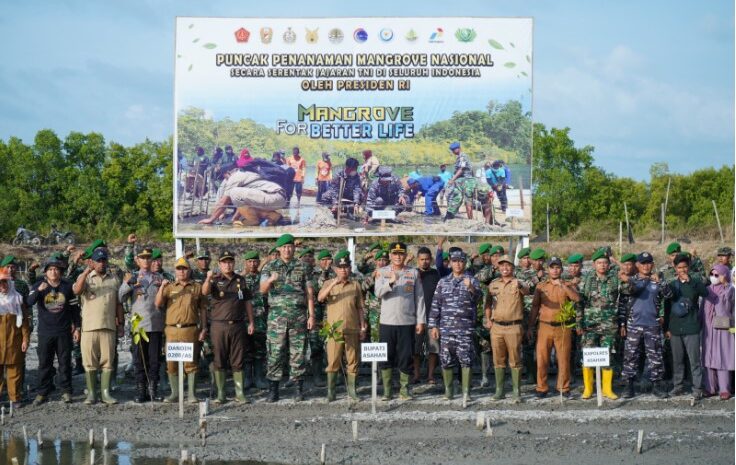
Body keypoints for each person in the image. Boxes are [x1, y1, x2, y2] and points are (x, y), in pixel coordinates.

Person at [260, 234, 316, 402]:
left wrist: (311, 315)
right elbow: (262, 290)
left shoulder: (303, 267)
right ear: (279, 249)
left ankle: (298, 389)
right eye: (284, 247)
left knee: (298, 353)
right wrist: (271, 279)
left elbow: (310, 294)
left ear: (294, 248)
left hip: (298, 317)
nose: (287, 249)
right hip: (276, 318)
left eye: (290, 246)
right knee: (275, 353)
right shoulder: (270, 267)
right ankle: (273, 390)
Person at [202, 250, 255, 404]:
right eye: (224, 262)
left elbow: (247, 303)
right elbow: (205, 292)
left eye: (230, 261)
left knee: (238, 360)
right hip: (219, 326)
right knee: (219, 359)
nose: (227, 264)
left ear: (234, 263)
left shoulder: (241, 280)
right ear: (219, 264)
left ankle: (240, 394)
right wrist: (207, 278)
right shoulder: (214, 279)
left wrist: (251, 322)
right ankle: (221, 394)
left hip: (238, 325)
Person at [374, 242, 426, 400]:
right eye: (395, 254)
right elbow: (378, 293)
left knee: (406, 356)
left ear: (405, 255)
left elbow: (420, 297)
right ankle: (387, 391)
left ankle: (405, 390)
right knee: (386, 356)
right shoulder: (382, 272)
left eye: (401, 254)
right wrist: (390, 282)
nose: (398, 257)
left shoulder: (413, 273)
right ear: (390, 255)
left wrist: (420, 320)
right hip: (387, 322)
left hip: (407, 322)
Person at [72, 248, 123, 405]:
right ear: (92, 262)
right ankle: (92, 394)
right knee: (89, 361)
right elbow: (77, 290)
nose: (101, 263)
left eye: (103, 260)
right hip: (89, 327)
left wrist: (121, 324)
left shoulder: (114, 279)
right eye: (98, 261)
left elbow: (119, 305)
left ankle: (105, 393)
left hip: (108, 327)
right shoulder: (86, 278)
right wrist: (87, 271)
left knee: (108, 361)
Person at [617, 252, 671, 399]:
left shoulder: (657, 281)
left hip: (652, 325)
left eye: (648, 263)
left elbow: (669, 295)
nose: (646, 266)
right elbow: (623, 302)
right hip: (634, 324)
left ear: (652, 265)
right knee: (630, 356)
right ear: (637, 265)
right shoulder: (630, 280)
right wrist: (622, 324)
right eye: (642, 263)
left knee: (655, 356)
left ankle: (657, 385)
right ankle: (629, 385)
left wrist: (660, 281)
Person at [429, 249, 480, 402]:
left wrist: (471, 288)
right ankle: (449, 392)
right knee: (446, 359)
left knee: (466, 359)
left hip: (464, 328)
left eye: (461, 261)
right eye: (455, 261)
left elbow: (479, 299)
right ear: (450, 263)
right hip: (446, 328)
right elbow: (436, 305)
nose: (458, 264)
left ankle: (466, 392)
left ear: (465, 263)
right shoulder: (443, 282)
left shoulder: (472, 280)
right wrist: (433, 326)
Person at [156, 257, 209, 404]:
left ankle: (192, 394)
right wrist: (161, 287)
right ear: (175, 271)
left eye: (184, 268)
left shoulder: (197, 287)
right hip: (172, 330)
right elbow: (158, 303)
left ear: (189, 270)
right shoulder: (170, 287)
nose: (181, 271)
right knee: (171, 363)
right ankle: (175, 394)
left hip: (190, 330)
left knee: (190, 363)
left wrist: (204, 328)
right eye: (179, 269)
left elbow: (203, 309)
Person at [28, 257, 80, 405]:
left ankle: (66, 391)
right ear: (45, 272)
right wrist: (38, 291)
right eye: (50, 269)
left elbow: (75, 309)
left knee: (65, 363)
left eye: (56, 269)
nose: (53, 272)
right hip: (45, 332)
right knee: (44, 363)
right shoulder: (39, 285)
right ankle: (42, 392)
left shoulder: (67, 286)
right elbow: (29, 302)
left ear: (61, 272)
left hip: (63, 331)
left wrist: (77, 327)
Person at [528, 256, 580, 398]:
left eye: (557, 267)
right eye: (552, 267)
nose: (555, 270)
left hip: (563, 327)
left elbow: (577, 298)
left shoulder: (567, 284)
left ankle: (563, 387)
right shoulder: (541, 286)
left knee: (563, 359)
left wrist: (563, 285)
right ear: (547, 269)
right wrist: (530, 327)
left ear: (562, 270)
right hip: (544, 327)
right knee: (542, 358)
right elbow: (534, 307)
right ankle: (542, 387)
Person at [318, 250, 366, 401]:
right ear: (335, 269)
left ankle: (352, 391)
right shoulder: (328, 283)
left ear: (350, 268)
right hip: (334, 331)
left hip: (352, 328)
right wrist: (333, 283)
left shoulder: (356, 285)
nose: (344, 270)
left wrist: (363, 326)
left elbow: (360, 308)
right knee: (333, 361)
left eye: (346, 267)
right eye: (340, 267)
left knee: (353, 361)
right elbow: (320, 298)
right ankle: (331, 392)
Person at [118, 248, 164, 402]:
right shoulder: (133, 277)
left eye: (148, 258)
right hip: (138, 324)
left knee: (154, 359)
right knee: (139, 359)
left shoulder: (159, 278)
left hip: (156, 324)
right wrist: (127, 283)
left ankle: (153, 389)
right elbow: (121, 297)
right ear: (138, 260)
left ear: (152, 260)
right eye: (142, 258)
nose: (146, 261)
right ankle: (141, 390)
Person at [486, 255, 531, 402]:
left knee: (515, 359)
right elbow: (488, 303)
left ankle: (516, 392)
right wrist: (488, 320)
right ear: (498, 267)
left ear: (513, 267)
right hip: (497, 327)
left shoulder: (518, 282)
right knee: (498, 360)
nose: (505, 268)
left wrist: (520, 286)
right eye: (502, 266)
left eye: (508, 265)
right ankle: (499, 390)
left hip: (514, 327)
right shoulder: (493, 284)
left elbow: (527, 291)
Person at [577, 248, 620, 400]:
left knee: (608, 356)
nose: (602, 265)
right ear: (594, 264)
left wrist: (616, 261)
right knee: (588, 356)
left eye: (605, 263)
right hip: (590, 325)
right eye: (599, 263)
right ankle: (588, 389)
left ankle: (607, 389)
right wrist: (579, 323)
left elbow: (626, 285)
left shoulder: (615, 279)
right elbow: (579, 303)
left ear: (609, 265)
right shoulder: (586, 280)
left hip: (609, 325)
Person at [665, 253, 708, 399]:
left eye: (684, 267)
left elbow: (705, 292)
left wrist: (690, 281)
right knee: (677, 360)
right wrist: (667, 329)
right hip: (675, 328)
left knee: (694, 360)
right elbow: (666, 308)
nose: (682, 270)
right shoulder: (671, 284)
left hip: (691, 327)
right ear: (675, 268)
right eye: (679, 267)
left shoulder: (695, 282)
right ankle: (678, 386)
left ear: (689, 267)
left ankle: (697, 388)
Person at [198, 165, 287, 226]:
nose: (224, 180)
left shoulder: (235, 177)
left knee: (233, 192)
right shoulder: (245, 174)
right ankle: (273, 216)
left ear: (228, 172)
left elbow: (224, 201)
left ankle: (253, 220)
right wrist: (235, 218)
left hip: (272, 196)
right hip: (277, 198)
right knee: (238, 196)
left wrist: (211, 219)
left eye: (224, 177)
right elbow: (243, 202)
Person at [701, 263, 734, 399]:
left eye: (717, 275)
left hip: (723, 328)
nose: (713, 277)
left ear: (724, 275)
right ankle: (710, 387)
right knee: (708, 357)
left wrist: (725, 284)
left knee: (722, 357)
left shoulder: (730, 289)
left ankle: (724, 389)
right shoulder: (707, 290)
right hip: (709, 328)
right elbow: (702, 309)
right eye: (712, 274)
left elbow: (726, 307)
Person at [0, 267, 30, 409]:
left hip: (14, 341)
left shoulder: (18, 298)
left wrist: (25, 339)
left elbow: (24, 321)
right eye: (0, 283)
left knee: (15, 372)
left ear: (10, 282)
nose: (2, 286)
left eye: (5, 282)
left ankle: (15, 398)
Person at [242, 251, 270, 390]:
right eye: (250, 261)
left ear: (258, 263)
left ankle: (259, 378)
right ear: (245, 263)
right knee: (246, 349)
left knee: (260, 350)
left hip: (261, 319)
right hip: (245, 320)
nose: (252, 264)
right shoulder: (240, 279)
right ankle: (247, 378)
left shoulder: (263, 277)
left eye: (255, 261)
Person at [413, 247, 441, 384]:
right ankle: (416, 375)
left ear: (431, 259)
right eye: (422, 259)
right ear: (417, 260)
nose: (424, 262)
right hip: (416, 318)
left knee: (433, 348)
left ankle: (430, 375)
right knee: (415, 349)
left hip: (433, 317)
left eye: (427, 259)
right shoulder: (412, 273)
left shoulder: (436, 274)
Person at [309, 249, 335, 387]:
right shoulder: (313, 274)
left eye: (328, 259)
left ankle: (332, 375)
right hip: (317, 316)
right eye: (323, 259)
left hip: (331, 315)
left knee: (332, 347)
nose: (326, 262)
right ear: (319, 262)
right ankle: (317, 376)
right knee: (316, 347)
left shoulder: (336, 273)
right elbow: (318, 290)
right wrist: (325, 272)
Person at [444, 141, 476, 221]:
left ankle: (470, 220)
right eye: (452, 150)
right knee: (457, 199)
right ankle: (449, 216)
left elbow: (461, 169)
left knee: (467, 202)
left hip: (466, 181)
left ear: (458, 148)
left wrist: (452, 179)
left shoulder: (462, 156)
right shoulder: (461, 156)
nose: (453, 152)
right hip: (464, 181)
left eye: (454, 150)